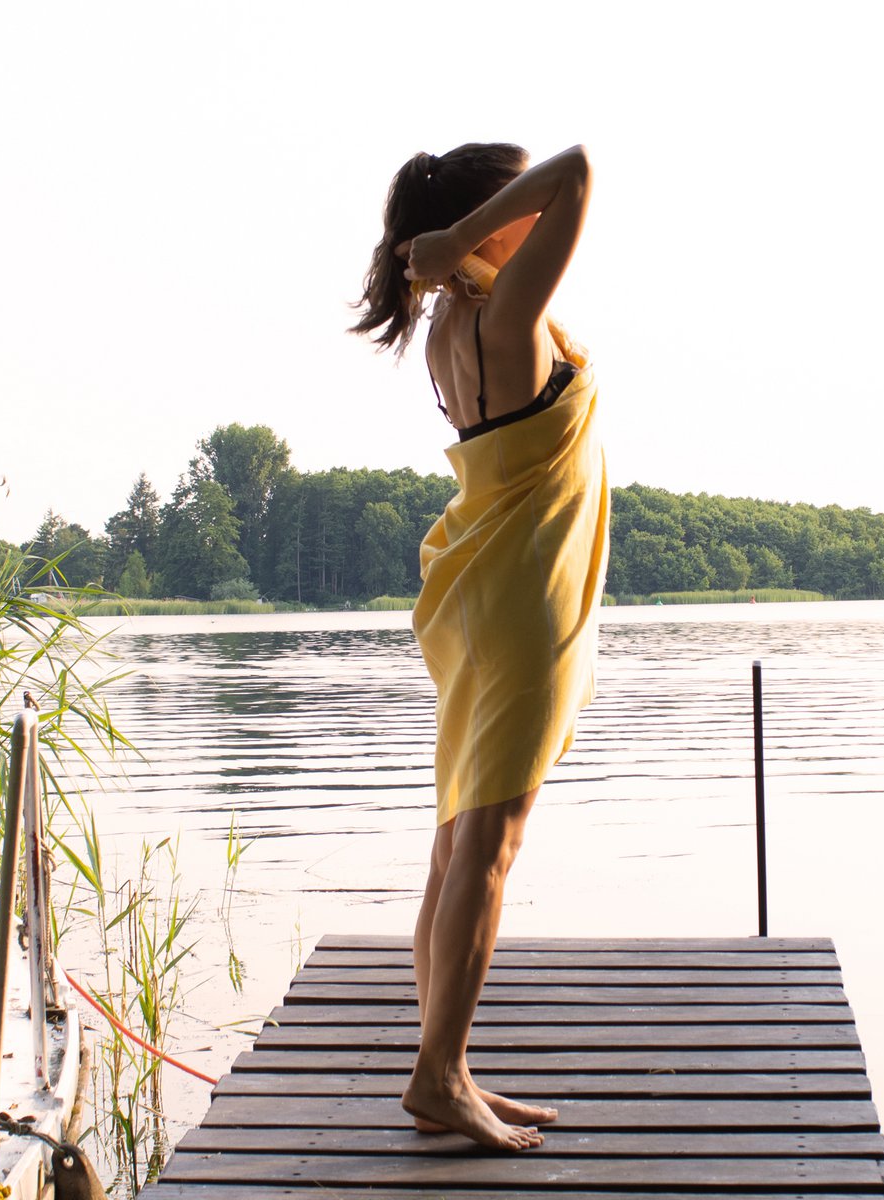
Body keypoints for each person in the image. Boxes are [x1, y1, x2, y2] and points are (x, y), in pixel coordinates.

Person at [351, 144, 608, 1151]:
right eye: (505, 203)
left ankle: (445, 1064)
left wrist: (458, 243)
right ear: (482, 216)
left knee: (459, 839)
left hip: (476, 591)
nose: (524, 214)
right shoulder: (502, 312)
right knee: (489, 845)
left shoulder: (456, 322)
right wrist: (459, 237)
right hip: (516, 603)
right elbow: (577, 171)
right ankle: (440, 1074)